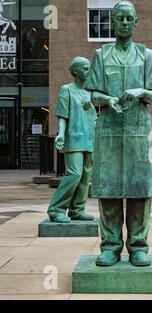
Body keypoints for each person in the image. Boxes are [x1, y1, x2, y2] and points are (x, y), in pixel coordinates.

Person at [86, 1, 152, 267]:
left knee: (139, 190)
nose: (125, 23)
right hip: (109, 130)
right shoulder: (101, 54)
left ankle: (138, 246)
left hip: (138, 132)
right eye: (120, 18)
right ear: (113, 21)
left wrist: (140, 91)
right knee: (109, 189)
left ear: (137, 22)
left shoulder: (146, 55)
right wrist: (107, 99)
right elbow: (92, 93)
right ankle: (110, 246)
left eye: (130, 18)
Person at [47, 57, 96, 223]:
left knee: (85, 178)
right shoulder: (66, 89)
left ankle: (77, 209)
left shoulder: (89, 93)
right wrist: (60, 134)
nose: (88, 71)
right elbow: (62, 114)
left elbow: (93, 118)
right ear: (75, 71)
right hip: (74, 139)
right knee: (74, 174)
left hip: (89, 140)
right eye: (85, 68)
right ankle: (56, 209)